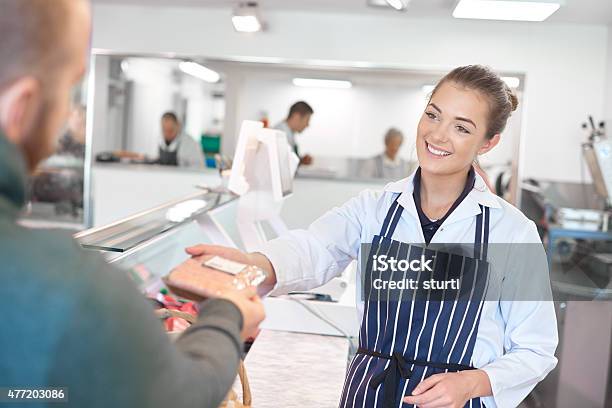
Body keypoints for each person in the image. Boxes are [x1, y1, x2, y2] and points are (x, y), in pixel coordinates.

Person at [184, 65, 558, 407]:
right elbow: (315, 249)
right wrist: (253, 264)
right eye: (433, 115)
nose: (438, 135)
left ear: (488, 143)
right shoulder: (375, 209)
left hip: (454, 400)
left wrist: (473, 383)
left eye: (462, 127)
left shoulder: (511, 232)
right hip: (370, 393)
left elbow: (536, 349)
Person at [0, 2, 264, 407]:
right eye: (68, 90)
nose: (67, 121)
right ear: (18, 108)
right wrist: (226, 317)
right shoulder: (68, 289)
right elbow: (178, 396)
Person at [274, 101, 314, 165]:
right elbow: (284, 164)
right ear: (296, 117)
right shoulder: (280, 133)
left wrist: (301, 160)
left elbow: (288, 159)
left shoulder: (289, 133)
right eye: (307, 120)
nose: (307, 125)